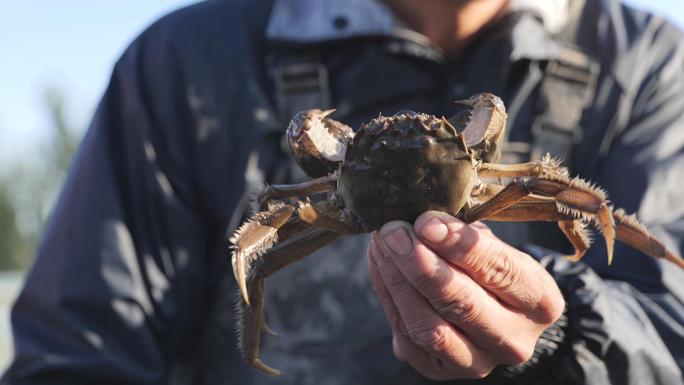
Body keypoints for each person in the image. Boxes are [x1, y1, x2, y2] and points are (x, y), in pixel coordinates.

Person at [2, 0, 684, 384]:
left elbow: (671, 331)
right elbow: (74, 352)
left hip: (478, 204)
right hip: (348, 200)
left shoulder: (649, 66)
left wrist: (568, 326)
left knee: (572, 197)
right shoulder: (184, 66)